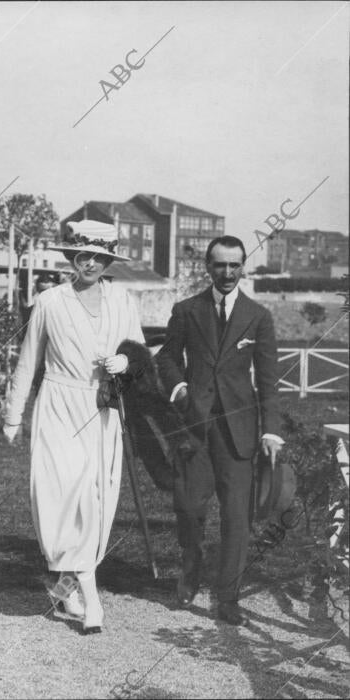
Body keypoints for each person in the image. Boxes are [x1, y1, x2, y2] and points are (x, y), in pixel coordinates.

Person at [3, 220, 145, 634]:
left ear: (107, 260)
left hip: (103, 407)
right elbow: (28, 360)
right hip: (59, 405)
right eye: (83, 255)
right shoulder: (50, 301)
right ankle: (92, 598)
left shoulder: (122, 301)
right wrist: (14, 415)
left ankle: (70, 584)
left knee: (96, 498)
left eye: (99, 257)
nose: (90, 263)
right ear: (72, 257)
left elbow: (137, 350)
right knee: (64, 493)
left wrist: (127, 362)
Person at [156, 235, 283, 626]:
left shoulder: (257, 316)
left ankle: (228, 596)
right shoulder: (187, 310)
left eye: (234, 265)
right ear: (207, 267)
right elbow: (167, 358)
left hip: (239, 433)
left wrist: (271, 431)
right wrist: (179, 390)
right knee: (190, 508)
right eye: (219, 265)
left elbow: (268, 378)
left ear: (243, 266)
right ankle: (191, 571)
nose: (227, 273)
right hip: (196, 429)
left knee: (235, 517)